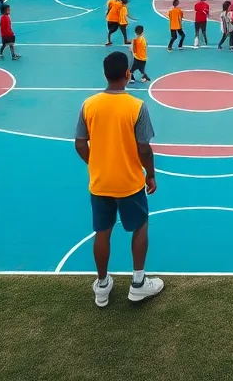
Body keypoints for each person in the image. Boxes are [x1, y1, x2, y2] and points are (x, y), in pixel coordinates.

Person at [74, 51, 164, 307]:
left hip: (101, 182)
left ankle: (102, 286)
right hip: (129, 182)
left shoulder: (89, 104)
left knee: (102, 232)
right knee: (140, 226)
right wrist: (151, 174)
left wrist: (96, 163)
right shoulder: (136, 106)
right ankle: (137, 283)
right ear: (127, 74)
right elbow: (144, 148)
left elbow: (80, 144)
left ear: (105, 74)